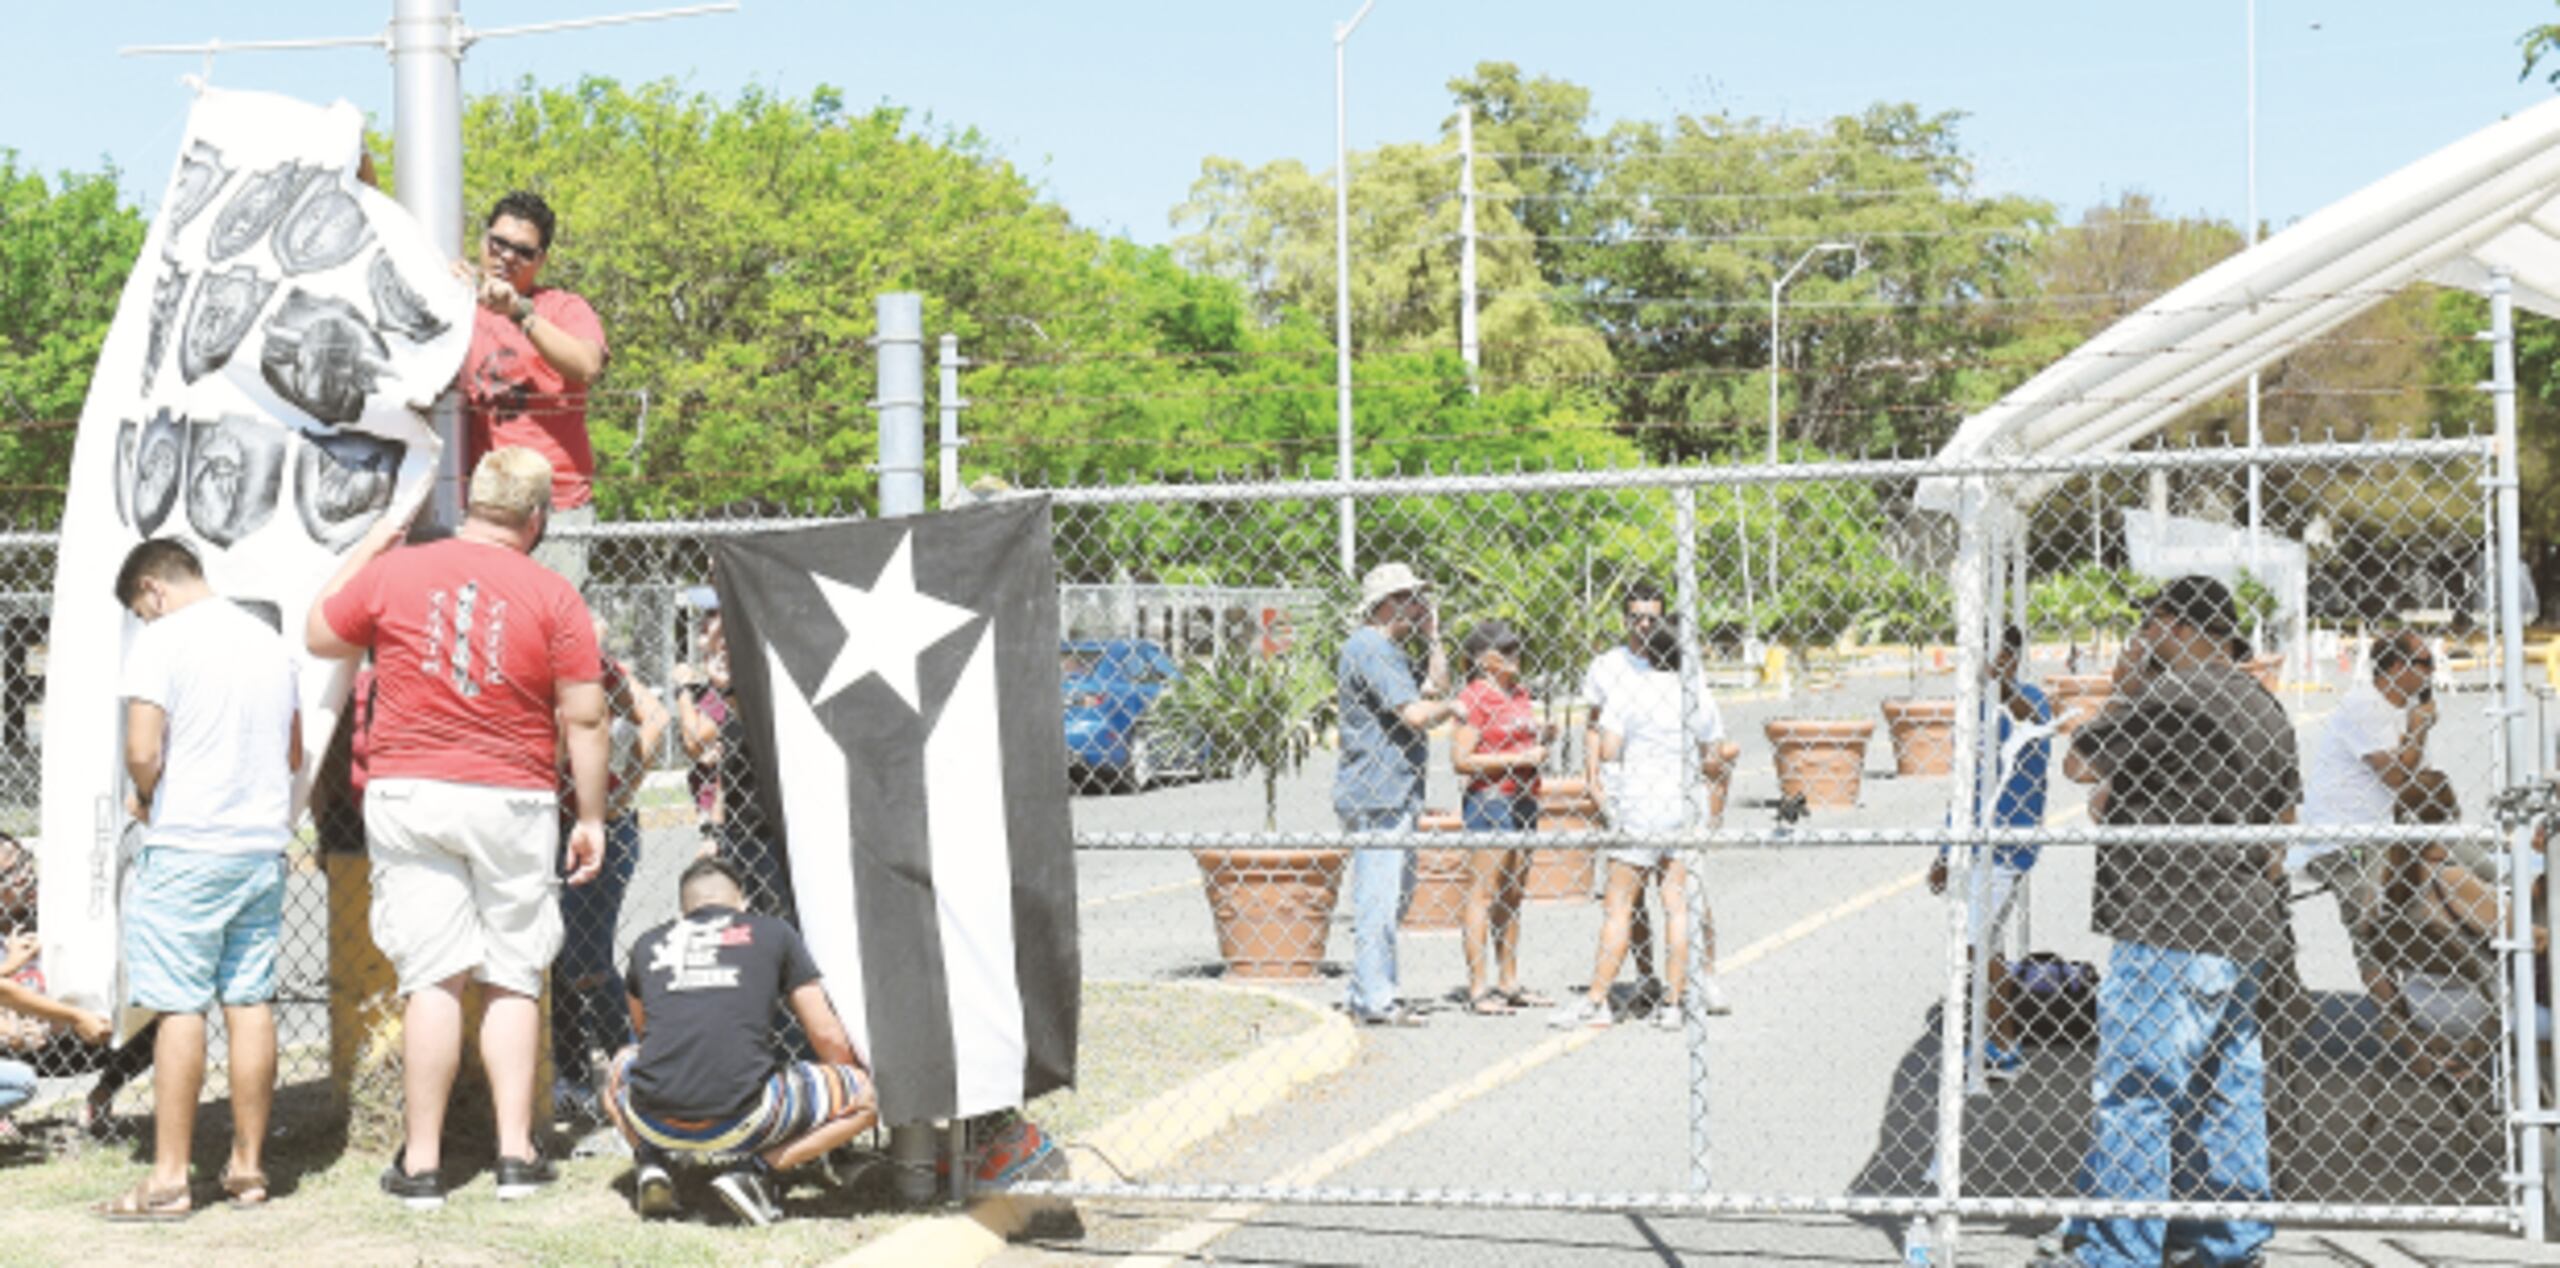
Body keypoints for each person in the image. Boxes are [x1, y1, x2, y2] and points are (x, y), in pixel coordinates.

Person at [306, 446, 609, 1210]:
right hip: (513, 794)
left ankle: (424, 1162)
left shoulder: (399, 570)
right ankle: (515, 1154)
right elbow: (586, 712)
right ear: (536, 518)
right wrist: (593, 815)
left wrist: (377, 540)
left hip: (410, 788)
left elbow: (319, 632)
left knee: (431, 977)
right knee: (513, 970)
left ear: (470, 504)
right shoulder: (553, 592)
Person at [2044, 576, 2300, 1268]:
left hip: (2167, 919)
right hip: (2241, 921)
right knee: (2228, 1087)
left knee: (2135, 1090)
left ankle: (2119, 1251)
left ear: (2177, 625)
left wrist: (2123, 686)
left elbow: (2076, 763)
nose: (2142, 638)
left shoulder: (2168, 695)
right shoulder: (2262, 705)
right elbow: (2282, 824)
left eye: (2150, 623)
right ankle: (2231, 1237)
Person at [96, 539, 302, 1219]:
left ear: (153, 589)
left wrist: (147, 794)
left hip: (188, 843)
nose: (144, 620)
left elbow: (142, 748)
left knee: (179, 1004)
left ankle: (170, 1177)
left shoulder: (162, 641)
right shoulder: (268, 640)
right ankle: (247, 1168)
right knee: (249, 999)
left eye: (140, 609)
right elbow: (294, 749)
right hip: (259, 845)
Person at [603, 857, 878, 1226]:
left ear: (683, 910)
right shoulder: (774, 932)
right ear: (743, 903)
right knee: (870, 1098)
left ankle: (651, 1162)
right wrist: (847, 1076)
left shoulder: (647, 943)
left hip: (654, 1115)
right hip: (747, 1116)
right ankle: (755, 1171)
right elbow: (824, 1031)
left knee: (620, 1062)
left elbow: (644, 1031)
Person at [1553, 610, 1731, 1030]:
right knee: (1678, 906)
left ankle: (1597, 1000)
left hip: (1639, 804)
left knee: (1618, 906)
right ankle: (1673, 1003)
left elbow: (1610, 749)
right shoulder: (1697, 693)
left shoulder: (1630, 690)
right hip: (1682, 805)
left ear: (1650, 650)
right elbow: (1714, 754)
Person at [552, 615, 670, 1125]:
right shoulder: (541, 671)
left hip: (605, 827)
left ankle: (631, 1065)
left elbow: (655, 718)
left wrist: (621, 791)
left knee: (586, 956)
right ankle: (571, 1075)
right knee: (552, 954)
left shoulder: (602, 672)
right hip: (550, 826)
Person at [1925, 624, 2054, 1082]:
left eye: (1993, 654)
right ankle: (1995, 1041)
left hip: (2006, 845)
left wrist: (2003, 683)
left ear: (2012, 657)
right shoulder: (1973, 709)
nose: (1981, 662)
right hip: (1971, 844)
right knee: (1982, 947)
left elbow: (2032, 722)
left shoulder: (2030, 701)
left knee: (1975, 947)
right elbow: (1964, 791)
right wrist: (1944, 850)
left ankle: (1999, 1044)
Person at [460, 190, 609, 587]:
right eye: (499, 243)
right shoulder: (456, 304)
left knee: (545, 634)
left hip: (553, 508)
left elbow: (588, 365)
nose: (507, 257)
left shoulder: (563, 308)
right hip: (481, 507)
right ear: (483, 240)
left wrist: (518, 312)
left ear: (541, 260)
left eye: (523, 252)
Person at [1334, 562, 1453, 1027]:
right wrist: (1456, 709)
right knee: (1378, 902)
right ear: (1387, 604)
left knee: (1392, 898)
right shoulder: (1371, 648)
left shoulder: (1388, 651)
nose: (1420, 606)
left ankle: (1366, 988)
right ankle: (1376, 999)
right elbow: (1417, 714)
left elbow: (1433, 686)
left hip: (1394, 791)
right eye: (1410, 599)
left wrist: (1434, 638)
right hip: (1376, 793)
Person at [2295, 631, 2438, 1016]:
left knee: (2420, 914)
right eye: (2425, 663)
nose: (2433, 673)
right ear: (2396, 667)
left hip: (2376, 835)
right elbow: (2395, 775)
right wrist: (2420, 727)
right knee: (2372, 934)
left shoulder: (2395, 711)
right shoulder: (2365, 706)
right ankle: (2410, 1046)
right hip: (2344, 839)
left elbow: (2410, 783)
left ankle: (2422, 1023)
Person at [0, 837, 150, 1138]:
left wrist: (77, 1014)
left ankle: (101, 1097)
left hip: (79, 1034)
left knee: (156, 1013)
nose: (25, 876)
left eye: (24, 863)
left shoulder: (66, 914)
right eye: (10, 874)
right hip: (16, 1045)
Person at [1450, 619, 1549, 1015]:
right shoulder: (1475, 698)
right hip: (1491, 801)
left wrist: (1543, 738)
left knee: (1512, 894)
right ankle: (1478, 987)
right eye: (1506, 652)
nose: (1515, 657)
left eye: (1516, 649)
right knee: (1483, 892)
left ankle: (1508, 981)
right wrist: (1517, 759)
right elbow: (1461, 760)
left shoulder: (1518, 693)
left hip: (1525, 799)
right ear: (1485, 661)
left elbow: (1518, 734)